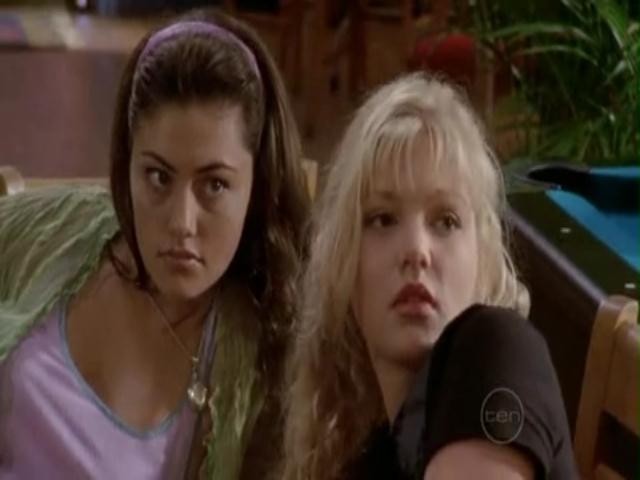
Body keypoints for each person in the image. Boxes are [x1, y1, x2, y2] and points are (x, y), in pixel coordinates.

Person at [0, 8, 309, 479]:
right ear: (127, 167)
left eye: (214, 185)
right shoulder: (63, 231)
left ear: (256, 186)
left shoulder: (265, 352)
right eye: (159, 177)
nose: (181, 223)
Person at [281, 73, 578, 479]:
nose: (416, 251)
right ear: (343, 264)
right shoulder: (372, 457)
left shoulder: (497, 350)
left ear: (484, 261)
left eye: (446, 221)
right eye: (383, 219)